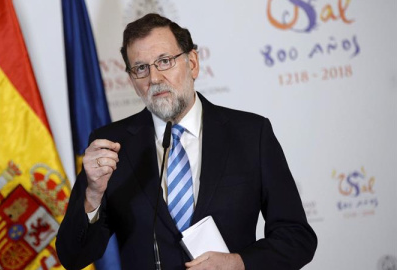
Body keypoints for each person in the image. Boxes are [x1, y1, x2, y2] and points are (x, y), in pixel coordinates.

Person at [56, 13, 317, 270]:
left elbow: (297, 237)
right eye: (141, 68)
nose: (154, 79)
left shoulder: (251, 134)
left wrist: (239, 263)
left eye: (165, 61)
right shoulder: (111, 145)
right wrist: (93, 194)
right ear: (132, 79)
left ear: (192, 63)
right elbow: (72, 256)